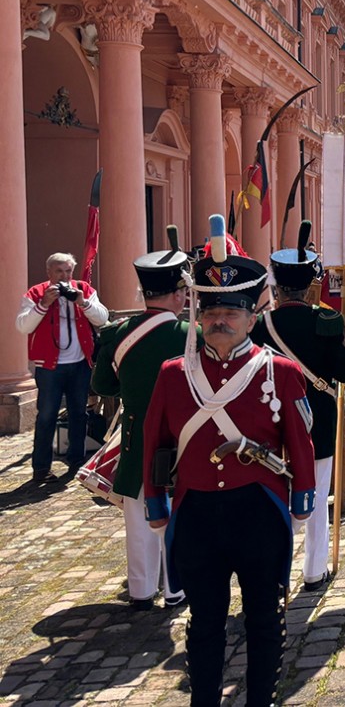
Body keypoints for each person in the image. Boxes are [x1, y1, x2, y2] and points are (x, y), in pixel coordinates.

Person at [143, 222, 315, 707]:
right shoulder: (174, 375)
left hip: (258, 509)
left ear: (249, 316)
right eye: (213, 310)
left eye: (231, 312)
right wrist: (155, 498)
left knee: (264, 616)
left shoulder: (278, 371)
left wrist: (303, 493)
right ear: (199, 315)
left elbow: (298, 440)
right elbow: (155, 439)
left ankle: (261, 697)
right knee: (205, 622)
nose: (221, 320)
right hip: (197, 511)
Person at [91, 226, 192, 609]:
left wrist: (133, 391)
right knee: (177, 511)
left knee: (138, 517)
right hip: (182, 436)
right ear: (179, 293)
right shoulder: (190, 334)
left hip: (136, 436)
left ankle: (140, 590)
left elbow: (103, 385)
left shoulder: (118, 334)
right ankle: (175, 588)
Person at [253, 221, 345, 592]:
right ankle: (314, 570)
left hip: (269, 422)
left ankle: (274, 567)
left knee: (274, 497)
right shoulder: (325, 322)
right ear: (310, 284)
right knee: (316, 494)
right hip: (318, 422)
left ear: (276, 287)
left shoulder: (259, 326)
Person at [16, 251, 109, 481]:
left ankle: (76, 461)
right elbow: (23, 326)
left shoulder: (83, 289)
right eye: (59, 271)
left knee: (79, 413)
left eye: (68, 271)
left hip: (79, 364)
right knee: (46, 416)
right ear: (49, 273)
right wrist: (43, 304)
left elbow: (102, 317)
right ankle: (41, 468)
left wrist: (82, 302)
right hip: (49, 367)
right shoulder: (36, 293)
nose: (64, 276)